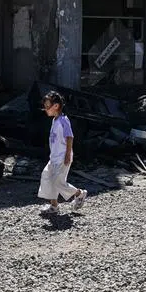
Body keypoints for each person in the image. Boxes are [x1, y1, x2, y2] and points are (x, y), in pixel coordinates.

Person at [38, 90, 87, 218]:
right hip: (54, 158)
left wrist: (67, 155)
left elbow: (70, 137)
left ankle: (79, 193)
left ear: (56, 106)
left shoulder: (63, 120)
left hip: (62, 158)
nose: (45, 109)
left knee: (58, 182)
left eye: (47, 106)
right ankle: (54, 205)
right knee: (47, 177)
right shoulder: (55, 120)